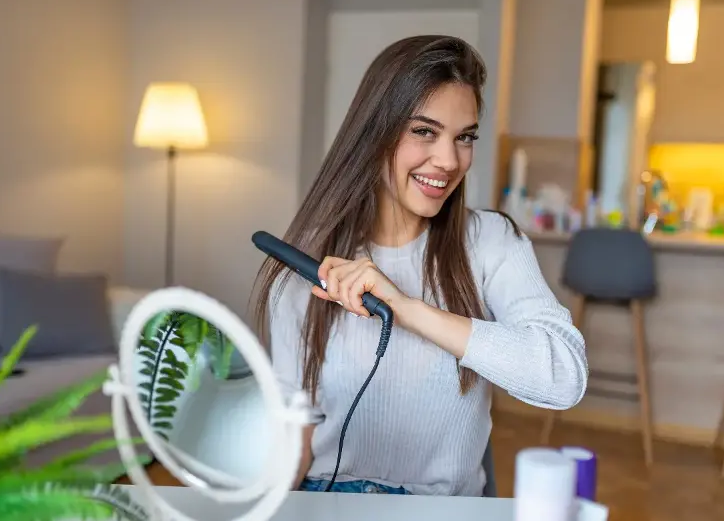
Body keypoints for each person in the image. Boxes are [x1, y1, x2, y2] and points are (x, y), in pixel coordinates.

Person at [251, 35, 588, 497]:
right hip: (327, 500)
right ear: (375, 133)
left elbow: (564, 377)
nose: (449, 161)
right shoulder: (309, 263)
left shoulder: (491, 242)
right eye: (424, 131)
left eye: (464, 137)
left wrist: (406, 309)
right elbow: (296, 435)